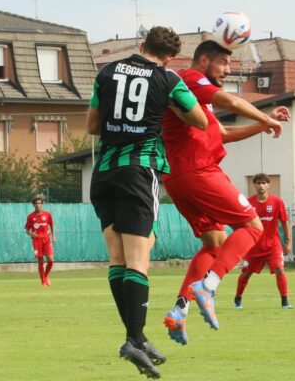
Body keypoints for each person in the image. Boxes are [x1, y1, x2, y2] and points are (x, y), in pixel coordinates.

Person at [86, 26, 207, 379]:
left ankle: (136, 339)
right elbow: (198, 119)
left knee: (118, 258)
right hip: (140, 171)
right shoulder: (167, 78)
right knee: (140, 259)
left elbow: (93, 125)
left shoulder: (106, 72)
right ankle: (133, 340)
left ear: (140, 46)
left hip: (104, 171)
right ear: (169, 57)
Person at [161, 40, 291, 345]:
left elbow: (222, 133)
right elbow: (230, 102)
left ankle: (180, 310)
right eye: (223, 63)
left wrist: (261, 126)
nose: (228, 70)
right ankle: (210, 286)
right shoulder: (192, 80)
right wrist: (265, 117)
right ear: (204, 60)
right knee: (252, 226)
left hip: (178, 177)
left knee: (215, 244)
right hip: (199, 171)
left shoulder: (196, 98)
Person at [234, 173, 293, 309]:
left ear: (268, 185)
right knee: (246, 274)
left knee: (279, 269)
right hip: (254, 245)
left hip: (273, 245)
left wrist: (288, 242)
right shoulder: (248, 203)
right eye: (258, 183)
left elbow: (284, 222)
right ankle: (238, 299)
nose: (261, 185)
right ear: (254, 185)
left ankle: (285, 302)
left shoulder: (277, 202)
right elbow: (242, 223)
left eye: (263, 183)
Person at [24, 195, 56, 287]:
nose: (38, 205)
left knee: (51, 260)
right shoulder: (30, 217)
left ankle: (46, 276)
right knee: (41, 260)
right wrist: (31, 233)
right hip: (37, 240)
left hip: (46, 239)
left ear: (42, 204)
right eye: (36, 203)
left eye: (39, 203)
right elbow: (27, 230)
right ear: (33, 205)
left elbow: (52, 225)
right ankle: (43, 281)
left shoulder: (47, 214)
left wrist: (53, 236)